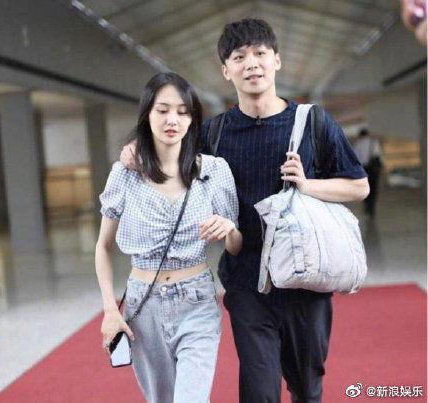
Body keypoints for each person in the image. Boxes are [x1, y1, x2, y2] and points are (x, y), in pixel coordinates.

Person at [121, 19, 369, 403]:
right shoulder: (214, 133)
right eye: (239, 57)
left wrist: (308, 185)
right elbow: (169, 149)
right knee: (258, 390)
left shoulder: (313, 123)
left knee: (307, 388)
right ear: (226, 70)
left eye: (260, 53)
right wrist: (136, 149)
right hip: (246, 281)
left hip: (306, 279)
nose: (251, 63)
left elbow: (359, 185)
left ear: (276, 61)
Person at [96, 72, 242, 403]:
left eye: (182, 111)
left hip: (196, 300)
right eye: (162, 110)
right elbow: (103, 247)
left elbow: (236, 246)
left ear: (192, 119)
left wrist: (229, 229)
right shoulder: (125, 174)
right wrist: (109, 309)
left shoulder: (213, 171)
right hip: (142, 305)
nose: (172, 119)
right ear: (147, 115)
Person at [353, 128, 383, 217]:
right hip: (374, 169)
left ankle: (367, 205)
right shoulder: (374, 143)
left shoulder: (358, 144)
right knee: (374, 187)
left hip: (363, 169)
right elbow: (378, 156)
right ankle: (372, 206)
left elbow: (355, 158)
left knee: (365, 187)